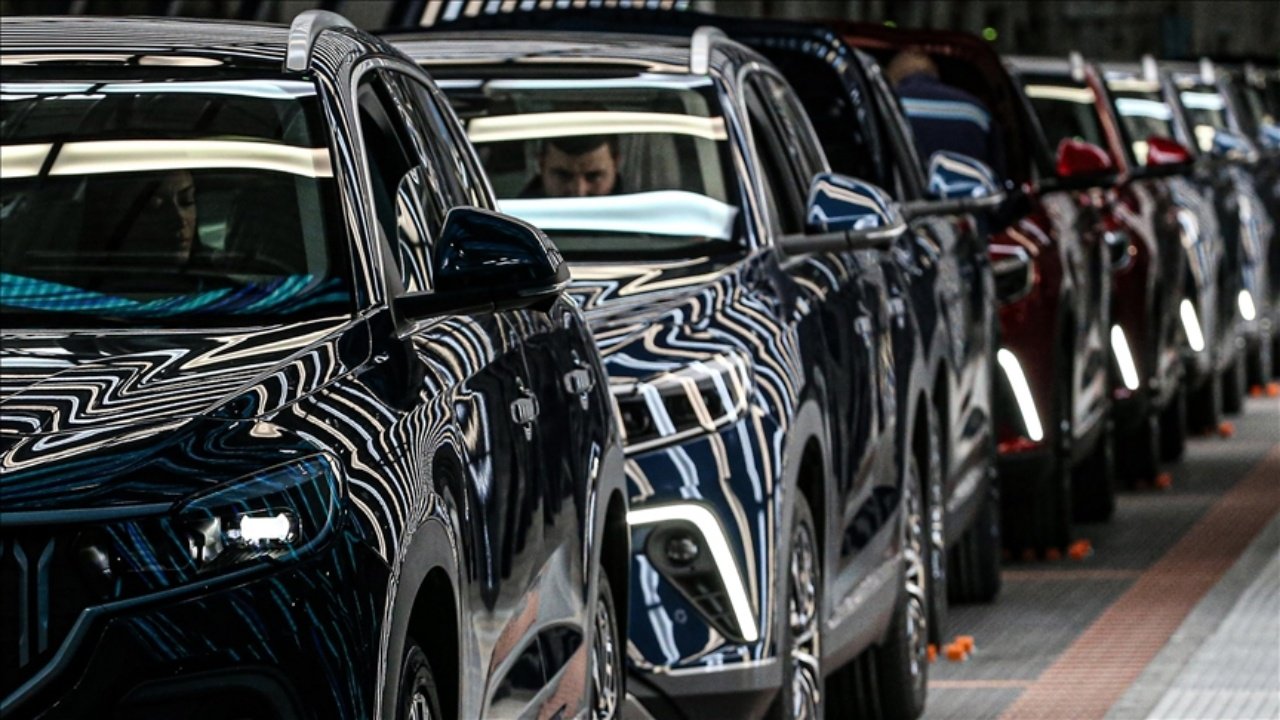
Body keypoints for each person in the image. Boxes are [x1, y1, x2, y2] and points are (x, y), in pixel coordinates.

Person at [886, 48, 1006, 179]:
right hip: (968, 189)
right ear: (934, 73)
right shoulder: (975, 108)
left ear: (893, 77)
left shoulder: (887, 105)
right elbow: (997, 170)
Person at [521, 134, 622, 198]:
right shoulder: (516, 220)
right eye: (563, 176)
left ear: (616, 164)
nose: (579, 191)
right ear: (541, 165)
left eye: (593, 176)